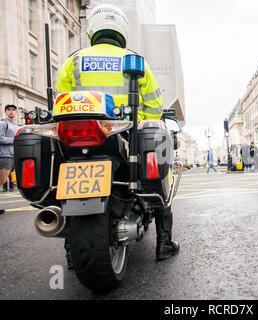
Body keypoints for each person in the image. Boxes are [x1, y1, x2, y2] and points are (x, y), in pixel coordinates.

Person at [56, 4, 179, 262]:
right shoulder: (134, 61)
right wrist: (137, 124)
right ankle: (164, 243)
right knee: (159, 183)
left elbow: (60, 102)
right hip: (123, 138)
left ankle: (70, 248)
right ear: (122, 31)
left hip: (78, 137)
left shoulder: (74, 61)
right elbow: (154, 107)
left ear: (93, 30)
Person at [0, 104, 20, 214]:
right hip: (4, 155)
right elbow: (1, 138)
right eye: (9, 110)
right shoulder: (3, 123)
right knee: (1, 181)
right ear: (5, 112)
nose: (11, 111)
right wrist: (15, 140)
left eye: (13, 110)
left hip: (13, 155)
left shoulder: (16, 125)